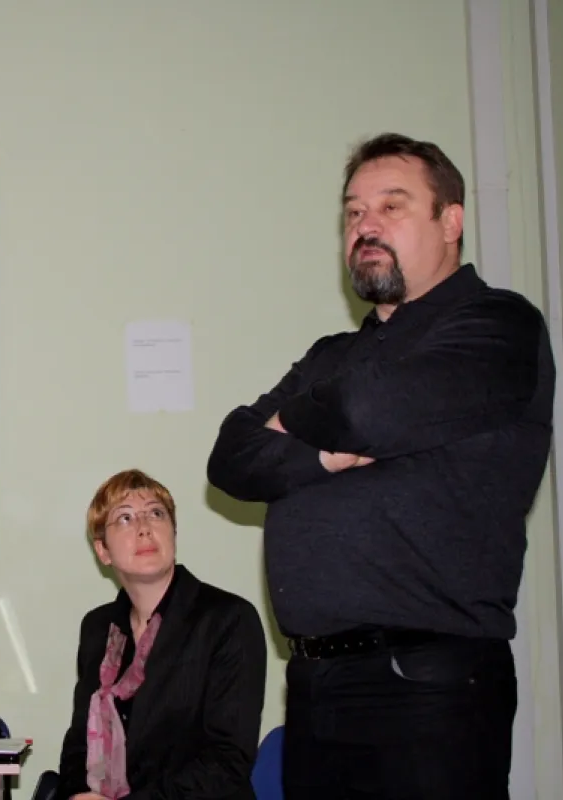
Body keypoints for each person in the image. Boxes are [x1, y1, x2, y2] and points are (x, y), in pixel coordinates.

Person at [206, 132, 556, 799]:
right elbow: (232, 457)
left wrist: (294, 427)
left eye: (392, 206)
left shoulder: (497, 326)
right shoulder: (331, 353)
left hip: (427, 686)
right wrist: (329, 444)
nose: (365, 224)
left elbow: (366, 410)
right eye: (353, 211)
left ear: (450, 221)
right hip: (316, 686)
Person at [56, 469, 267, 800]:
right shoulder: (99, 628)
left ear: (173, 532)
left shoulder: (228, 619)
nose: (144, 528)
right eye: (124, 518)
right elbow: (79, 741)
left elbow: (227, 761)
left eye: (156, 513)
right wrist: (78, 793)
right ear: (103, 551)